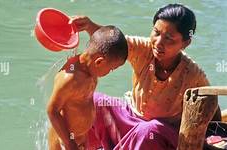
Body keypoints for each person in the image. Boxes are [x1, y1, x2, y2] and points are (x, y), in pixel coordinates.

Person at [71, 3, 221, 150]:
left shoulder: (193, 74)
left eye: (169, 38)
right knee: (89, 100)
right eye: (156, 32)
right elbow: (114, 43)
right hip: (129, 116)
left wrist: (213, 136)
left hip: (160, 133)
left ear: (185, 43)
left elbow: (211, 104)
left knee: (148, 130)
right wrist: (88, 26)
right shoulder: (144, 49)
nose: (158, 43)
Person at [46, 25, 128, 150]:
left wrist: (87, 25)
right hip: (64, 143)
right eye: (111, 69)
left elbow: (100, 42)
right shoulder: (70, 79)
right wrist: (69, 143)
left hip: (82, 138)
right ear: (99, 62)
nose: (110, 72)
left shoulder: (91, 69)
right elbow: (52, 110)